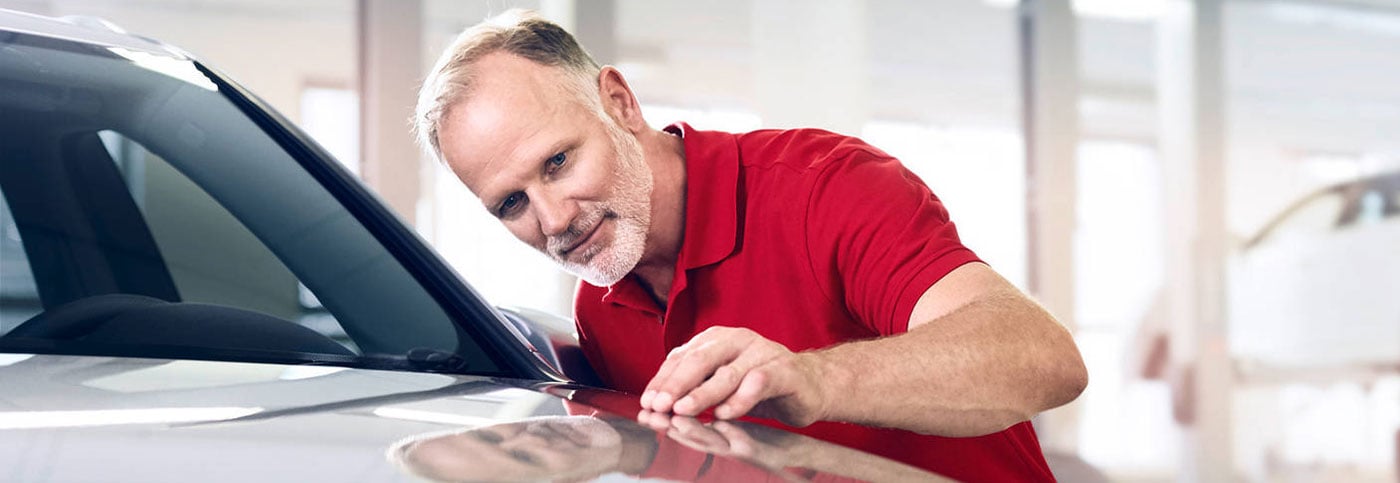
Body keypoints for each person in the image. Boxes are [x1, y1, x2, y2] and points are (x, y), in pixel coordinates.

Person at [414, 9, 1087, 481]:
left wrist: (814, 378)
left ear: (619, 102)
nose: (553, 217)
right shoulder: (602, 311)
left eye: (558, 161)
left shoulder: (825, 186)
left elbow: (1044, 359)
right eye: (511, 203)